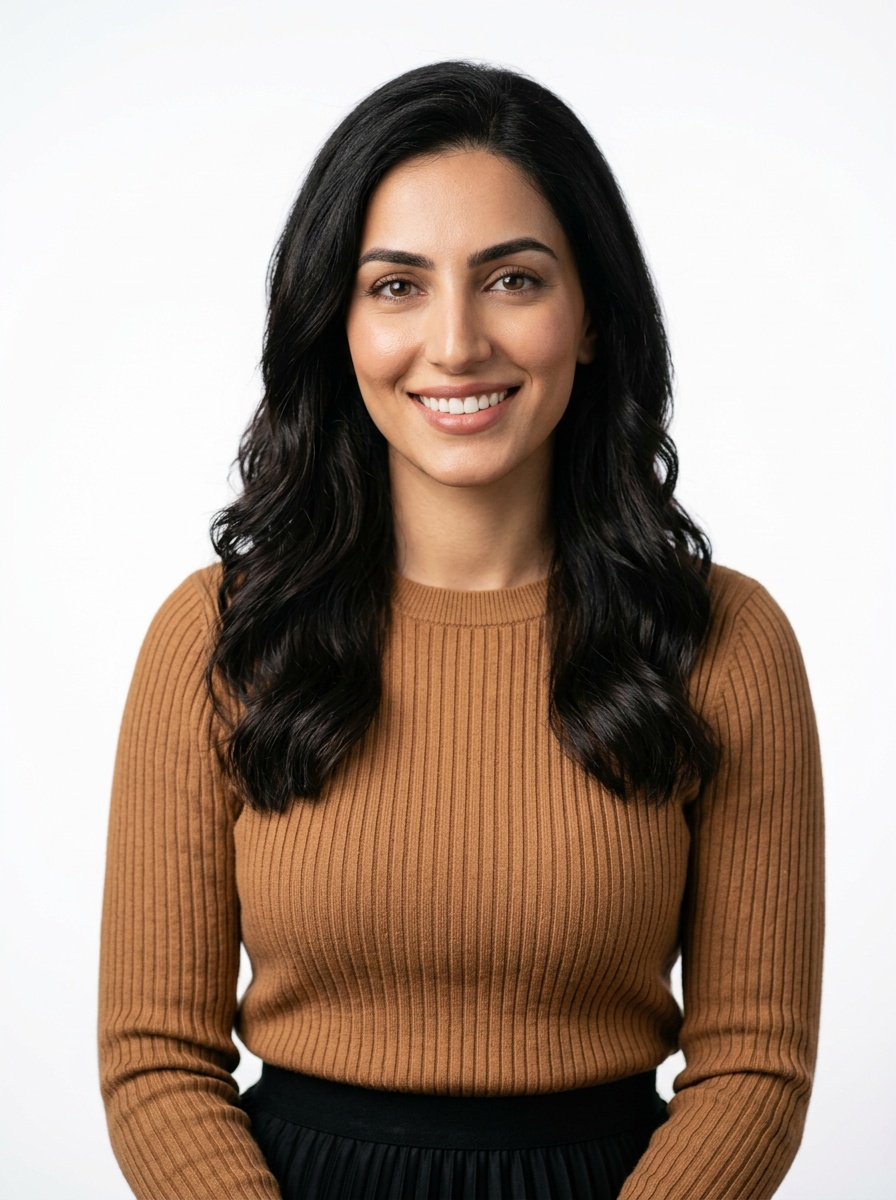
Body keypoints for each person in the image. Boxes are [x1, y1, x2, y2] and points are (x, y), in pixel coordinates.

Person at [98, 61, 824, 1200]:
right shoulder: (215, 638)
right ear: (335, 324)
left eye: (512, 280)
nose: (454, 344)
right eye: (395, 286)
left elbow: (752, 1066)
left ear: (589, 317)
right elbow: (154, 1059)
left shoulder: (723, 641)